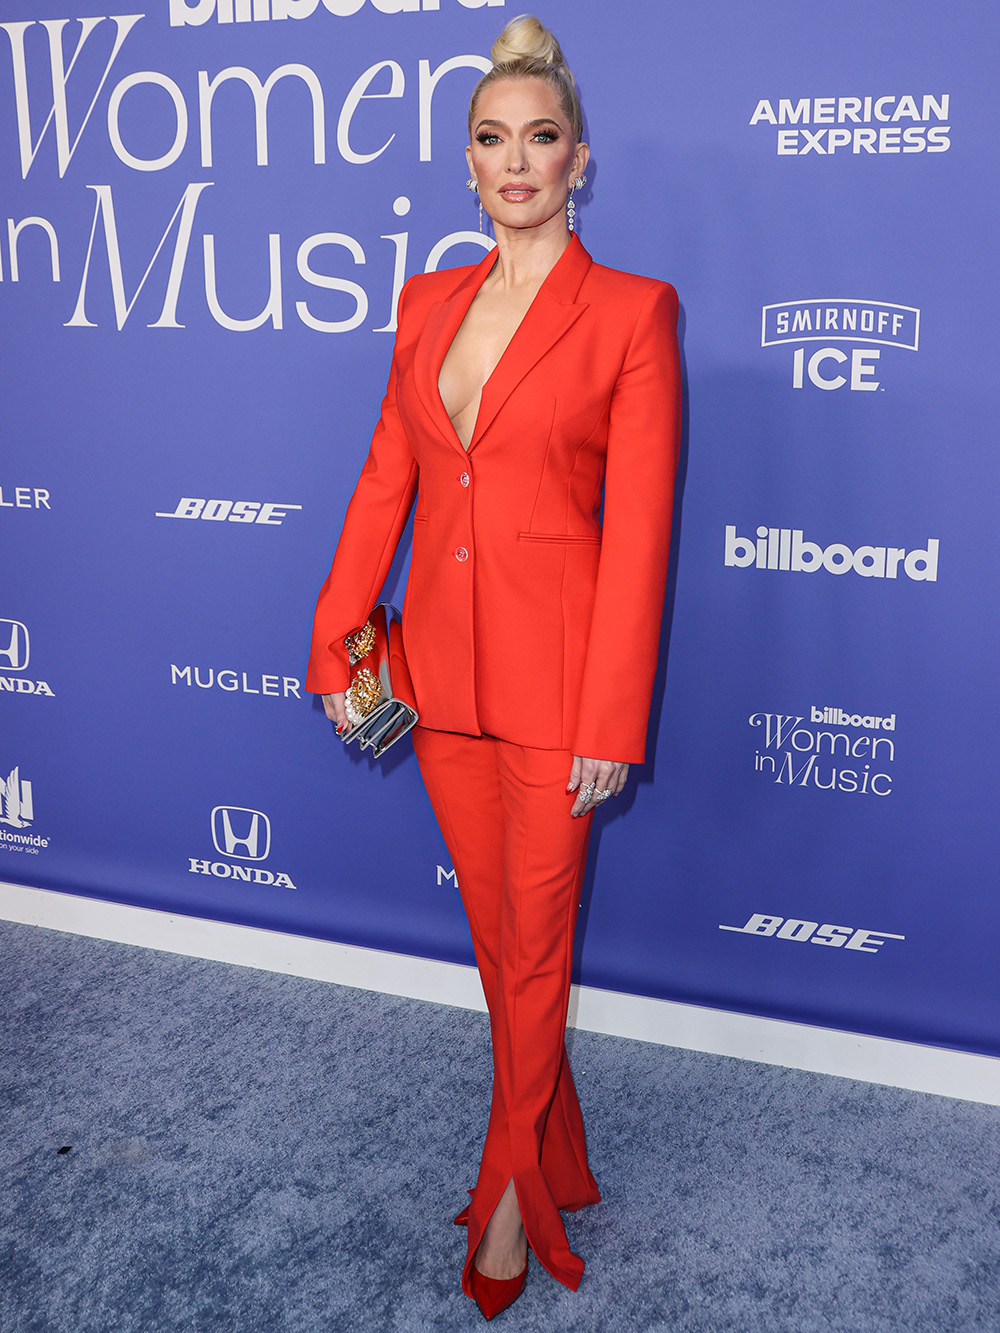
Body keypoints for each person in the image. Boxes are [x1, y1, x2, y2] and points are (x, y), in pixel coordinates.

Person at [306, 13, 681, 1320]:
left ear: (580, 160)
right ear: (465, 163)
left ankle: (512, 1190)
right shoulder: (425, 303)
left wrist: (610, 720)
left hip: (561, 692)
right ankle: (559, 1151)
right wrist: (336, 629)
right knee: (499, 944)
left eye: (539, 139)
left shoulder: (632, 314)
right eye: (489, 140)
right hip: (442, 686)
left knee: (534, 957)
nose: (514, 162)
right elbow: (386, 480)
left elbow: (639, 541)